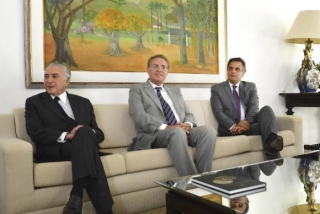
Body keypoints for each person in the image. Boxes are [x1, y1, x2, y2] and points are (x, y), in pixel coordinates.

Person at [25, 62, 113, 214]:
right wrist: (68, 135)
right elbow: (35, 132)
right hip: (56, 149)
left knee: (85, 131)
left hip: (82, 146)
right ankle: (104, 210)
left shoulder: (83, 103)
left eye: (54, 76)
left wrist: (84, 133)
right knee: (86, 143)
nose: (49, 80)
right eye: (46, 76)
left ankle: (76, 195)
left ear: (66, 81)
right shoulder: (34, 102)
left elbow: (99, 133)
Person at [128, 54, 217, 176]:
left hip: (180, 130)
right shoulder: (137, 90)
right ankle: (191, 181)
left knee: (208, 131)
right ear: (148, 70)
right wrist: (167, 127)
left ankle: (205, 177)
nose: (159, 70)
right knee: (177, 132)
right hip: (155, 135)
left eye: (163, 67)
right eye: (155, 66)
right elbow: (139, 116)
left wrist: (188, 124)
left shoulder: (175, 91)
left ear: (167, 72)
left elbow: (188, 113)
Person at [210, 57, 283, 162]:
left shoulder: (250, 86)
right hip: (230, 129)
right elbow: (218, 112)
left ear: (243, 72)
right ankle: (273, 152)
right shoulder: (217, 89)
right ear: (227, 70)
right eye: (230, 68)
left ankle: (272, 143)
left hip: (249, 124)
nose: (233, 71)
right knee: (266, 127)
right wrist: (234, 126)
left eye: (237, 69)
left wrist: (247, 122)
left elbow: (254, 106)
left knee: (266, 110)